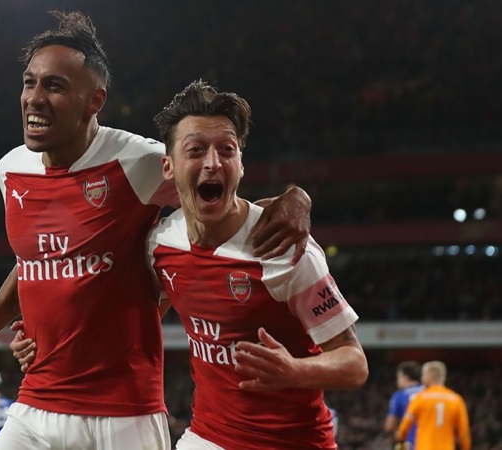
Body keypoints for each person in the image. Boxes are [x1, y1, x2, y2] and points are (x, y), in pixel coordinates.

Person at [0, 11, 311, 450]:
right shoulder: (11, 169)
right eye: (29, 83)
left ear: (94, 101)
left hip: (124, 412)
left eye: (54, 86)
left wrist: (295, 197)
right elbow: (31, 262)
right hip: (36, 403)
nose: (34, 98)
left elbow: (223, 207)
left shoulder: (139, 163)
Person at [144, 80, 368, 449]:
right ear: (168, 167)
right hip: (208, 437)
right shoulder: (161, 244)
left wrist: (296, 370)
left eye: (226, 150)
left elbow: (354, 363)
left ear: (241, 165)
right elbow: (142, 314)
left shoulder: (284, 249)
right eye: (196, 150)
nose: (213, 162)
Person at [395, 361, 471, 450]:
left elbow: (404, 426)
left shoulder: (419, 398)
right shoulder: (456, 400)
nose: (422, 378)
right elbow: (464, 431)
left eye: (423, 375)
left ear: (429, 377)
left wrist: (400, 439)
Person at [384, 361, 423, 449]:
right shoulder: (428, 393)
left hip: (409, 444)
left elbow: (390, 426)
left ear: (405, 377)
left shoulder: (400, 395)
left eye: (398, 377)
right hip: (429, 443)